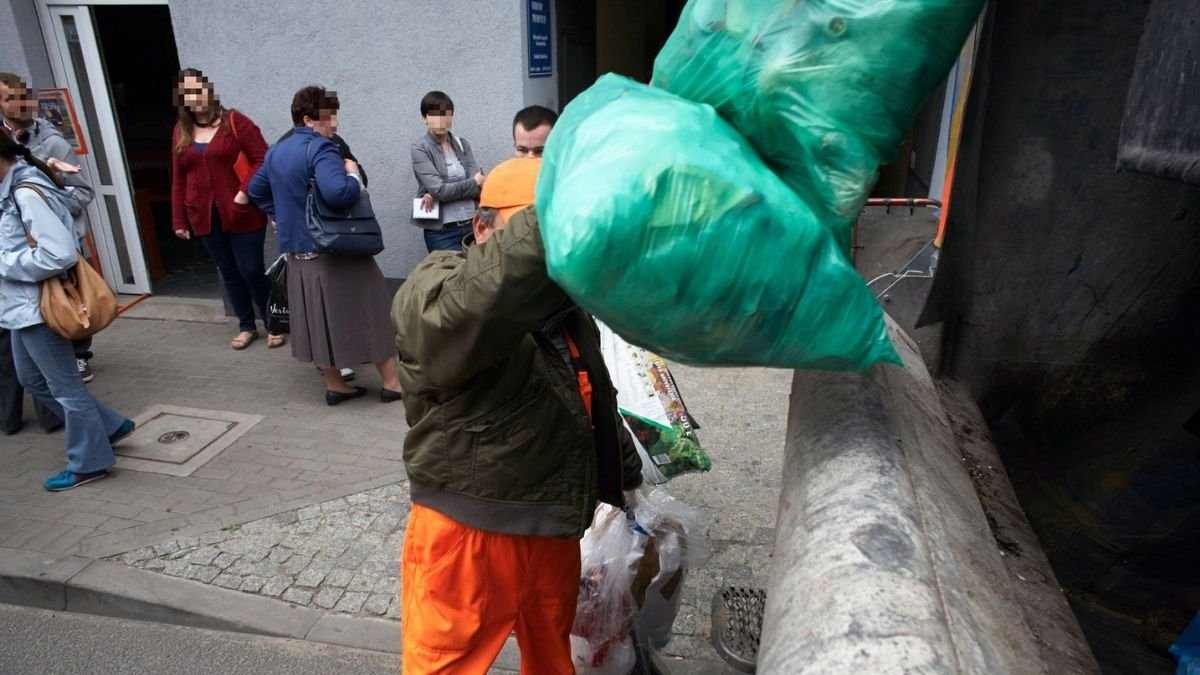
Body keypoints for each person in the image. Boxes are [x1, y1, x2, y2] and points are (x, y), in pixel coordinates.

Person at [390, 157, 643, 674]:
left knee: (552, 656)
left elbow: (591, 395)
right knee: (445, 664)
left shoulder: (567, 310)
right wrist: (564, 210)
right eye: (533, 224)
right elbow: (476, 305)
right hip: (468, 530)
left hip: (550, 526)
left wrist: (628, 482)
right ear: (482, 227)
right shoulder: (435, 284)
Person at [248, 85, 402, 406]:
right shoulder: (322, 148)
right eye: (329, 117)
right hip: (336, 250)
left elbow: (256, 189)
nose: (335, 124)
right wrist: (353, 174)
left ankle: (336, 386)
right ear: (308, 119)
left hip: (299, 255)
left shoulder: (277, 150)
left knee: (320, 320)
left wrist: (279, 216)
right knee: (371, 311)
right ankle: (392, 383)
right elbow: (339, 194)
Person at [0, 133, 134, 489]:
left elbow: (58, 254)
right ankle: (108, 426)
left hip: (39, 308)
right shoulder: (14, 188)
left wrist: (5, 262)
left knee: (64, 388)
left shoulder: (24, 192)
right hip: (20, 308)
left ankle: (89, 461)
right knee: (33, 380)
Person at [170, 68, 282, 351]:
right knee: (228, 272)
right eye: (187, 94)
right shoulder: (180, 131)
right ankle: (246, 325)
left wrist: (245, 191)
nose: (194, 98)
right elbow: (179, 177)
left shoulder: (234, 122)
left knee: (251, 270)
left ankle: (274, 323)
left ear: (208, 90)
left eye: (198, 90)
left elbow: (263, 159)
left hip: (242, 213)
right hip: (204, 216)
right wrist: (178, 219)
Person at [1, 71, 98, 383]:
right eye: (10, 98)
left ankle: (79, 355)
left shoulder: (52, 141)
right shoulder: (3, 143)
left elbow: (82, 192)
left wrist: (48, 207)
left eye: (23, 96)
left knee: (68, 302)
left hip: (52, 245)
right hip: (19, 251)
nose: (21, 104)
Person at [410, 91, 484, 252]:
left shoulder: (462, 144)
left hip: (473, 224)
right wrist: (472, 183)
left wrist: (438, 192)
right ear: (424, 118)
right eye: (434, 114)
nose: (440, 120)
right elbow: (440, 190)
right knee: (450, 277)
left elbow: (480, 184)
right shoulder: (420, 148)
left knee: (476, 275)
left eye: (445, 114)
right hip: (442, 232)